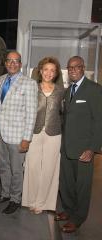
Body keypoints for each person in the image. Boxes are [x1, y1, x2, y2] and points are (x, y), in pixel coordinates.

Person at [55, 56, 102, 233]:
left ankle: (78, 218)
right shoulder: (68, 92)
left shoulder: (94, 90)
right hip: (67, 147)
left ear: (83, 68)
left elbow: (99, 122)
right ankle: (68, 210)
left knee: (82, 186)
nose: (73, 70)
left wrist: (92, 148)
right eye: (70, 67)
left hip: (84, 149)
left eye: (77, 67)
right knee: (66, 182)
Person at [0, 51, 38, 214]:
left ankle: (15, 199)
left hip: (18, 136)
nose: (12, 64)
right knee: (3, 167)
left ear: (21, 63)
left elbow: (32, 113)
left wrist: (27, 138)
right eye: (9, 61)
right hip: (0, 134)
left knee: (16, 169)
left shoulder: (29, 83)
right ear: (5, 63)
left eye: (16, 61)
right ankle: (5, 194)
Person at [22, 57, 64, 214]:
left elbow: (64, 113)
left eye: (52, 70)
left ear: (56, 73)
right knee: (32, 167)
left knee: (49, 168)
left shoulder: (61, 91)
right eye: (46, 69)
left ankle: (42, 203)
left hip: (54, 133)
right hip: (34, 132)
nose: (49, 73)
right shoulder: (32, 88)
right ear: (40, 71)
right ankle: (30, 200)